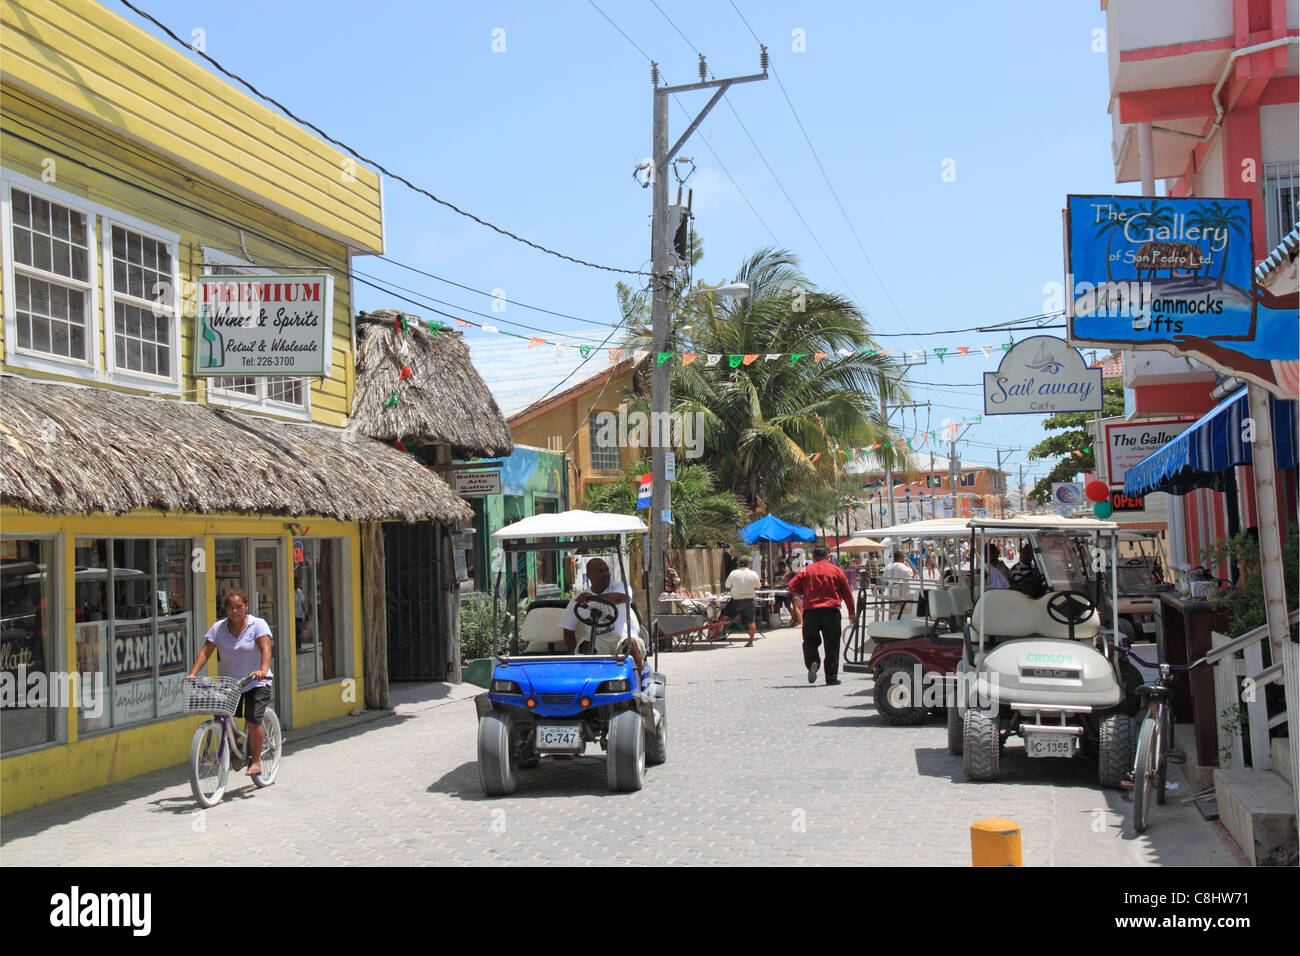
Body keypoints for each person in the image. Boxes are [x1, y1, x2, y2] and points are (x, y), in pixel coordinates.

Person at [185, 589, 273, 776]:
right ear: (225, 609)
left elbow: (266, 649)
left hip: (256, 682)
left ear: (246, 606)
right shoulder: (218, 628)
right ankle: (237, 745)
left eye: (239, 607)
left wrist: (263, 670)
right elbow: (206, 651)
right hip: (231, 684)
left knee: (252, 720)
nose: (235, 611)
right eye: (231, 608)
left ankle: (256, 761)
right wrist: (192, 674)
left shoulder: (258, 625)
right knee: (222, 715)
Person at [561, 557, 644, 671]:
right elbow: (568, 630)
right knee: (586, 646)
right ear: (589, 575)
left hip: (622, 637)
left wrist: (592, 598)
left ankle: (638, 678)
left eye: (606, 570)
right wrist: (573, 652)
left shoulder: (620, 587)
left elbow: (621, 598)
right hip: (598, 641)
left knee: (630, 644)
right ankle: (588, 679)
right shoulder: (578, 599)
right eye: (600, 571)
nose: (605, 574)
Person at [788, 546, 855, 686]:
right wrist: (851, 612)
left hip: (811, 612)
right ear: (828, 556)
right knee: (832, 645)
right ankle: (831, 677)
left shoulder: (806, 570)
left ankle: (813, 662)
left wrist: (804, 591)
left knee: (810, 641)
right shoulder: (836, 570)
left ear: (813, 557)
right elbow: (847, 593)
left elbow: (792, 586)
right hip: (831, 612)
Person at [723, 555, 762, 647]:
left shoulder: (734, 573)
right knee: (751, 622)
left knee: (723, 615)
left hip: (736, 600)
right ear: (748, 564)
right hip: (749, 600)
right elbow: (758, 586)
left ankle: (717, 633)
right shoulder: (753, 573)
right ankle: (750, 641)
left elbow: (727, 586)